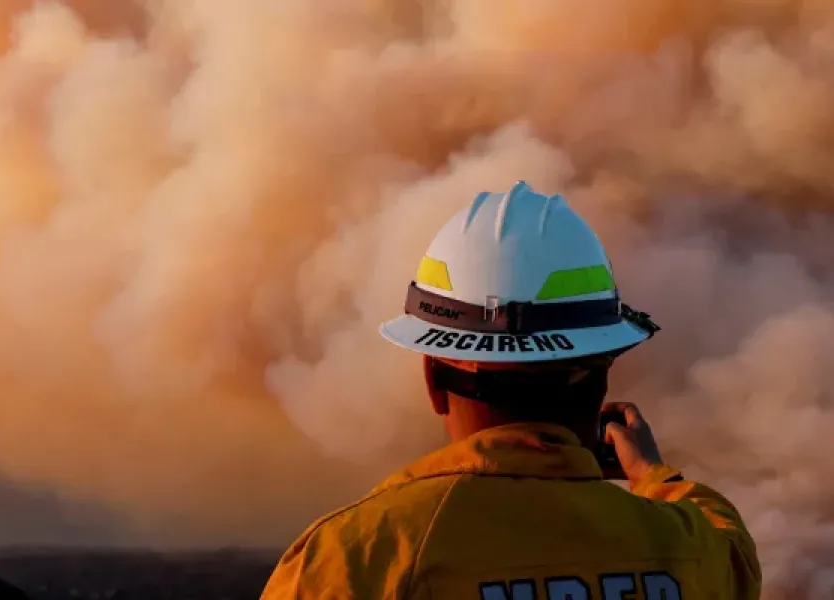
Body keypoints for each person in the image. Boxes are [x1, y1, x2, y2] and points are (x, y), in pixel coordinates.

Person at [260, 181, 762, 600]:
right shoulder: (686, 549)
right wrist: (653, 475)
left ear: (434, 381)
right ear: (602, 378)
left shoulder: (357, 556)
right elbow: (734, 553)